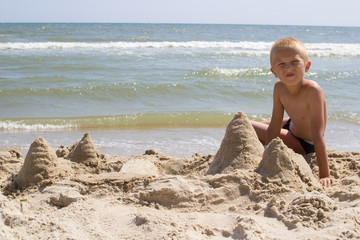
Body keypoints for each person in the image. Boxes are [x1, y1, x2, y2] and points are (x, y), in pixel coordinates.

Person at [251, 37, 333, 186]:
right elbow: (275, 125)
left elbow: (317, 134)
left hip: (306, 143)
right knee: (248, 126)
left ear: (306, 66)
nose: (288, 67)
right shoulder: (279, 88)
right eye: (281, 64)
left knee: (247, 125)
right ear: (274, 71)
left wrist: (324, 174)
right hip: (291, 125)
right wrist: (269, 155)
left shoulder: (312, 90)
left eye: (294, 62)